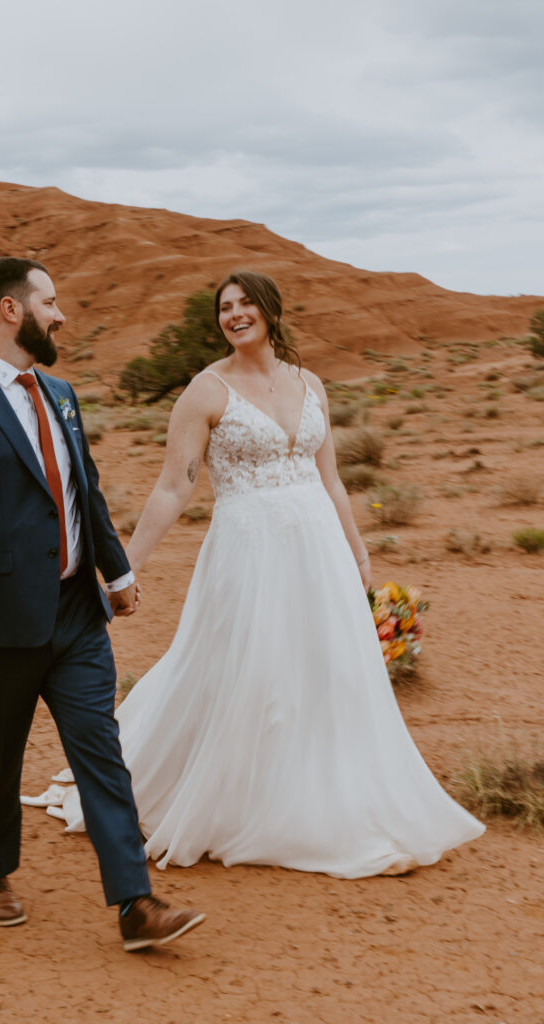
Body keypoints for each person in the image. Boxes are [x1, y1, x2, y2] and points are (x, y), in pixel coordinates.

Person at [26, 268, 485, 878]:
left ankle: (337, 802)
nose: (234, 314)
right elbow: (173, 488)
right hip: (249, 550)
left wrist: (358, 553)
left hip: (317, 547)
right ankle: (244, 801)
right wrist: (121, 567)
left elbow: (332, 479)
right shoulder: (205, 391)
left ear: (269, 310)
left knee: (326, 671)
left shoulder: (310, 383)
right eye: (224, 307)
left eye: (245, 304)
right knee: (251, 669)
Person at [0, 256, 205, 950]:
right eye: (49, 301)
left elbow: (85, 493)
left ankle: (135, 903)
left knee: (100, 747)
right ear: (11, 310)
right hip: (2, 621)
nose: (60, 313)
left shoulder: (61, 393)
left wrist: (117, 569)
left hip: (76, 613)